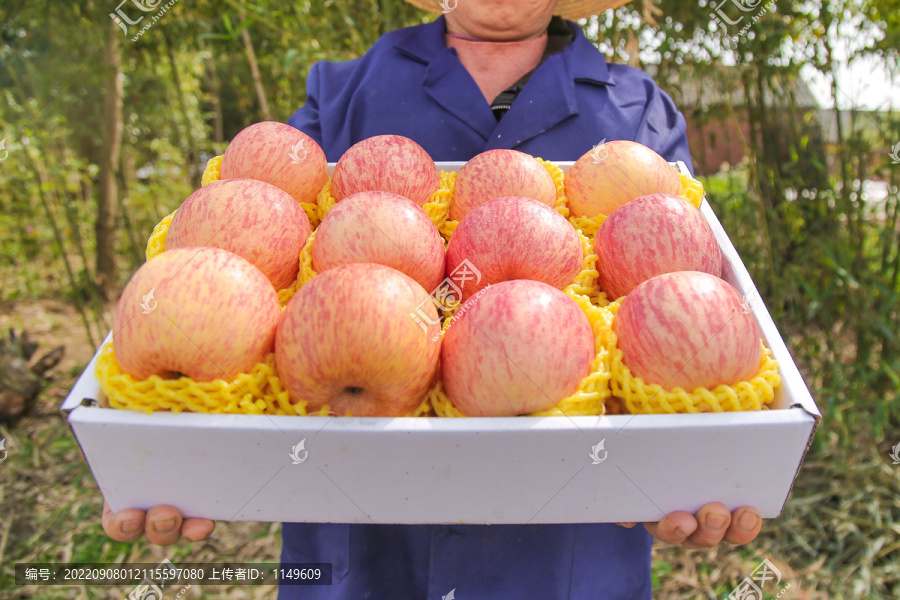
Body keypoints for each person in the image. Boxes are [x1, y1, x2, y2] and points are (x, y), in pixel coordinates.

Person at [102, 1, 763, 598]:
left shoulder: (638, 105)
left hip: (570, 539)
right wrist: (178, 439)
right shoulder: (342, 87)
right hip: (355, 508)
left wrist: (693, 455)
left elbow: (685, 273)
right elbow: (258, 218)